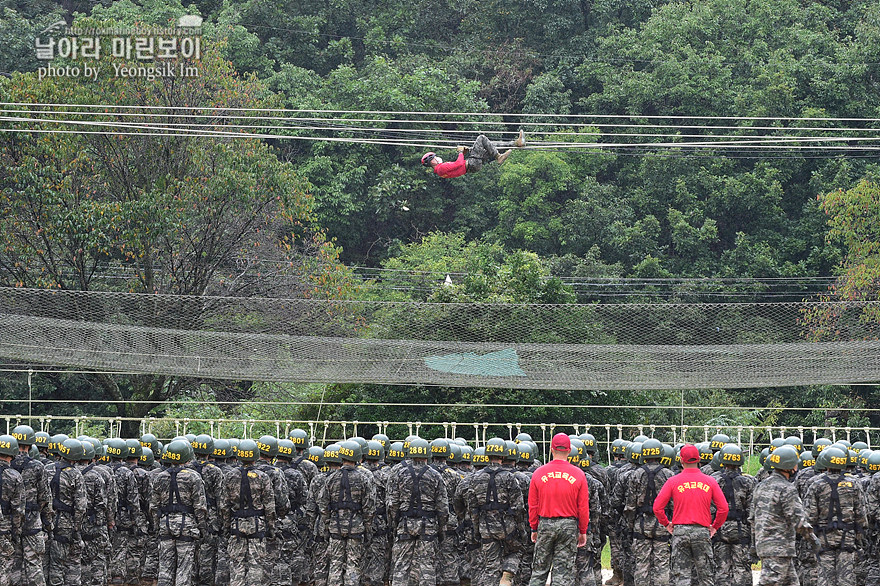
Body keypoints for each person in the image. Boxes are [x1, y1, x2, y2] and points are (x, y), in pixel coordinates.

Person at [652, 443, 728, 586]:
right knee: (706, 576)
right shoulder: (710, 481)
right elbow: (723, 508)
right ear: (699, 460)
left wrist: (666, 524)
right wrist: (715, 527)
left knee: (681, 576)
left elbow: (657, 507)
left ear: (681, 460)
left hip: (680, 531)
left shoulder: (673, 481)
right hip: (702, 531)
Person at [527, 433, 590, 586]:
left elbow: (533, 505)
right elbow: (583, 507)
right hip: (568, 526)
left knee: (539, 570)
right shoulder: (579, 475)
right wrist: (582, 531)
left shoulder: (538, 473)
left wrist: (534, 527)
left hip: (545, 524)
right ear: (569, 451)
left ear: (551, 450)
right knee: (563, 572)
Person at [749, 445, 813, 586]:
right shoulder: (787, 488)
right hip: (779, 547)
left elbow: (752, 518)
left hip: (766, 545)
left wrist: (754, 545)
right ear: (791, 466)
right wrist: (813, 539)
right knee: (770, 582)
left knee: (791, 582)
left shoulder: (760, 486)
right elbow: (797, 519)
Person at [421, 131, 526, 178]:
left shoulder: (440, 172)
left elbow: (458, 167)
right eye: (435, 157)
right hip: (471, 163)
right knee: (481, 138)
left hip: (472, 166)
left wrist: (464, 153)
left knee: (490, 147)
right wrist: (461, 152)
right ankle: (499, 157)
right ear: (433, 161)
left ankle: (516, 143)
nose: (438, 158)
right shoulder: (440, 168)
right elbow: (458, 164)